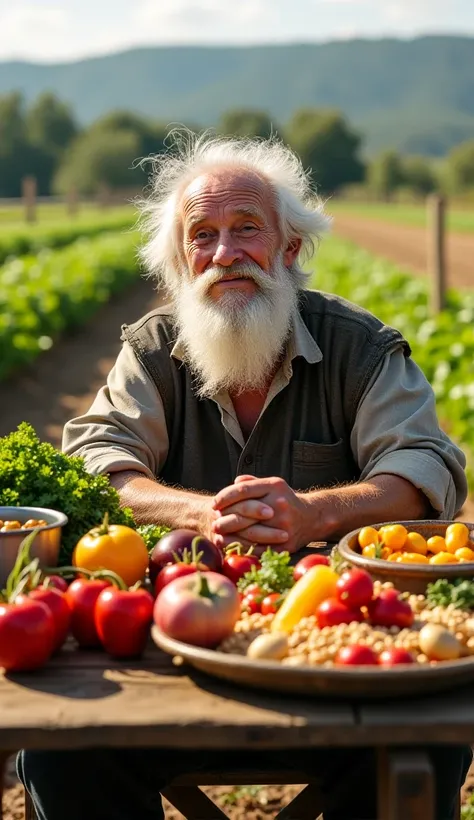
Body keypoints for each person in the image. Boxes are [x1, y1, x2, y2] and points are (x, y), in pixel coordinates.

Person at [19, 130, 471, 819]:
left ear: (289, 249)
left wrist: (318, 514)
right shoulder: (151, 352)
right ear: (179, 262)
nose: (224, 254)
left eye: (247, 229)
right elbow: (96, 458)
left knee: (425, 751)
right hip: (171, 652)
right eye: (202, 235)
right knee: (60, 754)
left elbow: (424, 463)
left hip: (335, 655)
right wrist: (196, 515)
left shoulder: (362, 349)